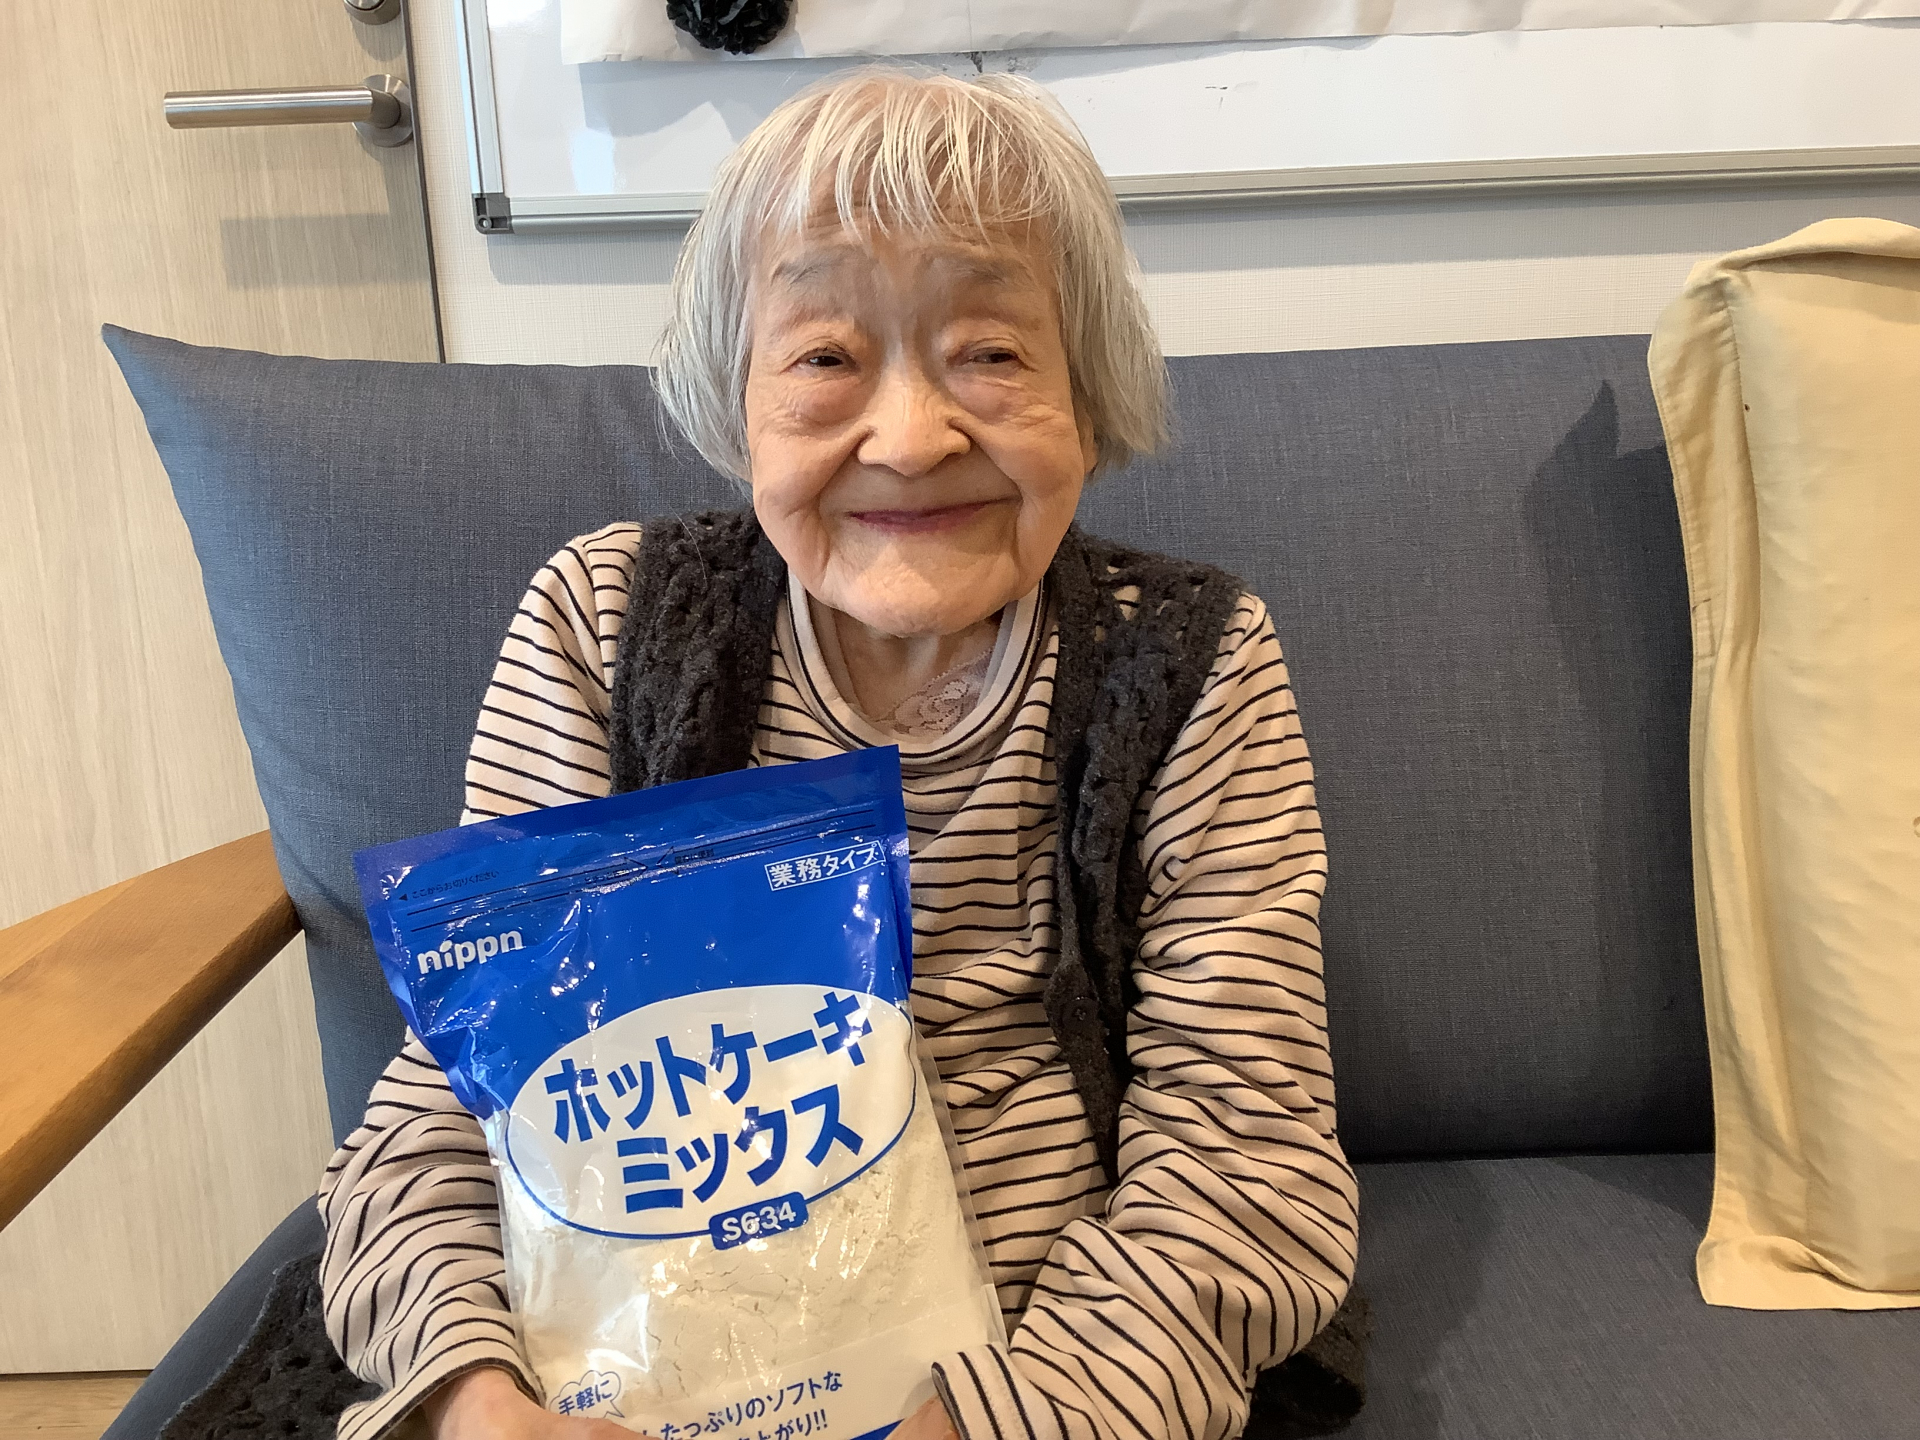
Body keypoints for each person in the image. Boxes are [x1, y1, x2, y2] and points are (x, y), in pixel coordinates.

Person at [319, 66, 1359, 1440]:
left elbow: (1244, 1153)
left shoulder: (1187, 662)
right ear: (738, 392)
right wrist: (474, 1399)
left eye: (992, 352)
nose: (914, 438)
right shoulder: (607, 623)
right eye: (824, 357)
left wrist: (989, 1423)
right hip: (627, 1381)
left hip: (1056, 1381)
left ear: (1088, 391)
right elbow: (458, 1101)